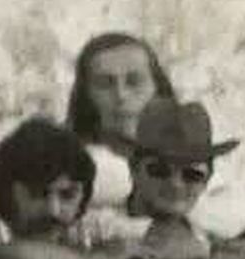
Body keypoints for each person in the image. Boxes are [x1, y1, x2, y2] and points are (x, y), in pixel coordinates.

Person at [0, 117, 150, 259]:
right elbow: (23, 258)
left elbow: (168, 241)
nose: (53, 209)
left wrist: (143, 247)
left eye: (67, 195)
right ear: (7, 189)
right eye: (37, 194)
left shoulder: (87, 225)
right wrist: (103, 258)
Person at [97, 98, 238, 259]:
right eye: (159, 170)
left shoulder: (212, 227)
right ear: (134, 170)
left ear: (207, 179)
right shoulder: (98, 226)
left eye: (192, 175)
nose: (175, 184)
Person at [65, 32, 176, 214]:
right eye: (104, 84)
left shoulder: (189, 155)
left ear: (157, 87)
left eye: (134, 81)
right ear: (86, 95)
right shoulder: (75, 165)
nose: (121, 95)